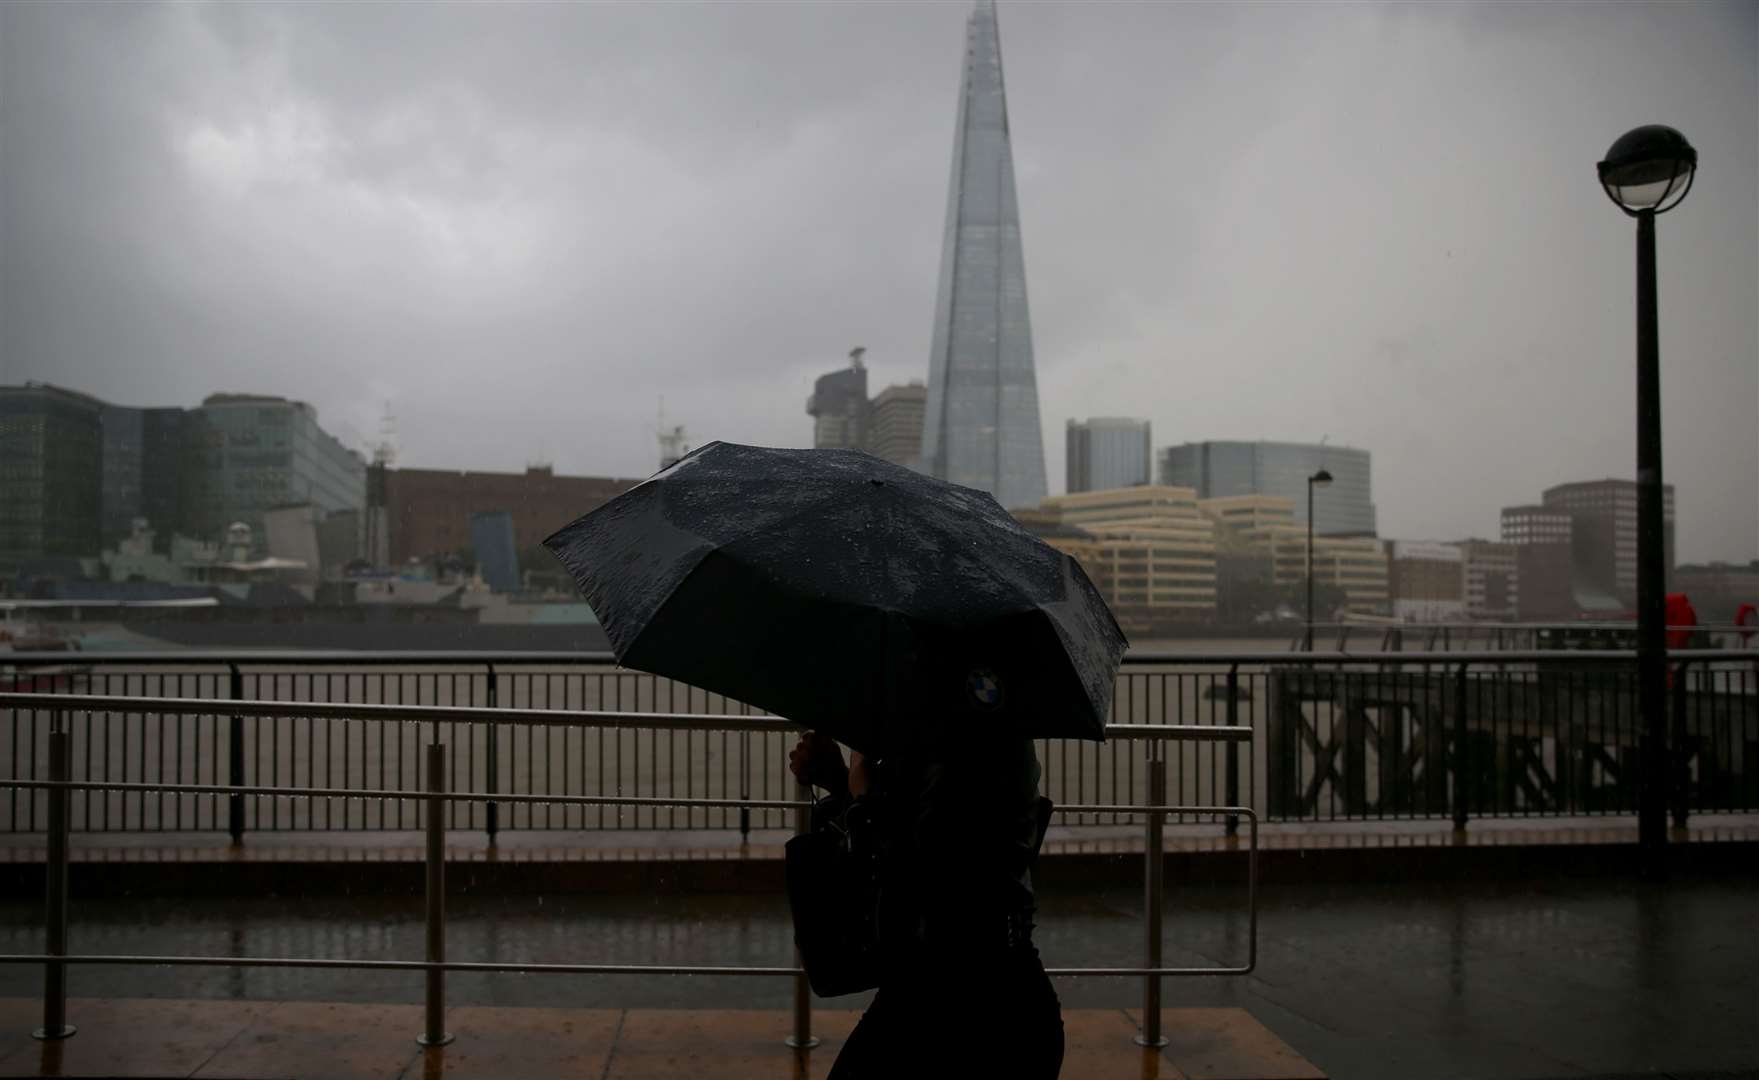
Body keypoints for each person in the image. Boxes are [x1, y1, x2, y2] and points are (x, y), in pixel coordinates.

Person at [789, 730, 1064, 1078]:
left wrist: (859, 788)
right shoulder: (994, 725)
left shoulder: (952, 738)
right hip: (1010, 995)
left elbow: (920, 868)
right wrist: (849, 787)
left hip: (937, 1000)